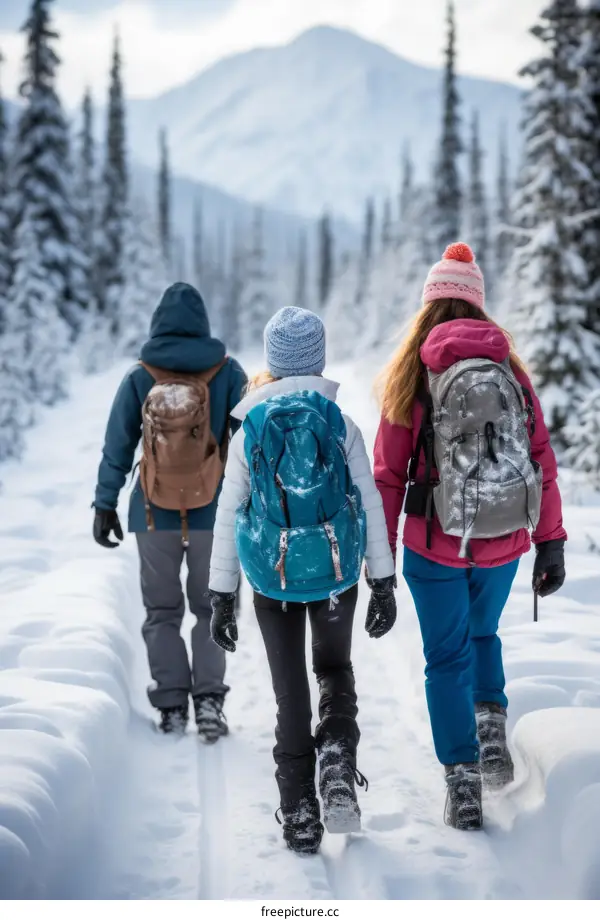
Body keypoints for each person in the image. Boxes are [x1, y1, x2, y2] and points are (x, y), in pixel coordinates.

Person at [374, 243, 566, 831]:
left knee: (445, 657)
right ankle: (490, 733)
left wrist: (379, 562)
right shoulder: (510, 370)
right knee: (484, 634)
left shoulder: (413, 375)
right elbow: (541, 457)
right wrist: (551, 540)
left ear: (429, 304)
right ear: (479, 304)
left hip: (433, 543)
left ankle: (462, 779)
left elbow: (387, 475)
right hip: (504, 537)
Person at [208, 306, 396, 854]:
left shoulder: (251, 432)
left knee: (290, 694)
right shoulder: (340, 424)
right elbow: (372, 506)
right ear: (318, 359)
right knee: (334, 668)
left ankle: (298, 814)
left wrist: (223, 595)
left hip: (272, 581)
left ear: (270, 360)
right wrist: (382, 580)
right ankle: (337, 762)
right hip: (337, 577)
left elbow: (227, 514)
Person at [93, 282, 247, 740]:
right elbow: (246, 447)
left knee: (161, 611)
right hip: (213, 515)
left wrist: (105, 504)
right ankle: (209, 704)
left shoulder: (141, 375)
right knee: (211, 607)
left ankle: (171, 706)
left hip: (153, 512)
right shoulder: (227, 371)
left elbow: (116, 446)